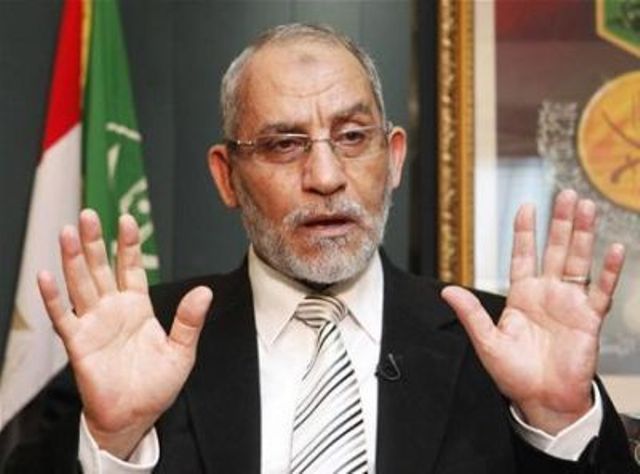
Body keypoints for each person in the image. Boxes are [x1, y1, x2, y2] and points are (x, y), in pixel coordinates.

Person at [17, 23, 638, 473]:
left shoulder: (500, 348)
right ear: (227, 177)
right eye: (284, 144)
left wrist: (559, 421)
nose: (325, 176)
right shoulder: (137, 342)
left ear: (393, 158)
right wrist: (112, 441)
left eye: (353, 136)